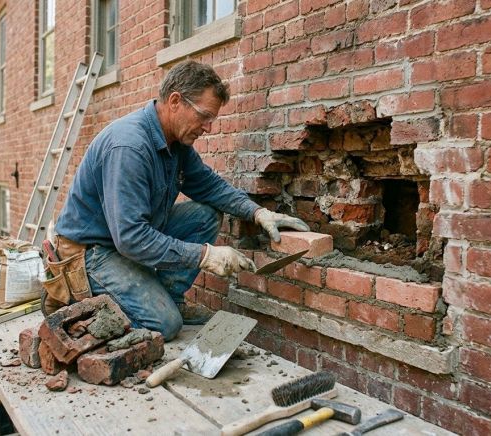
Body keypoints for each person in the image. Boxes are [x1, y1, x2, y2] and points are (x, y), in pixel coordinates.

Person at [53, 61, 309, 340]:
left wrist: (258, 212)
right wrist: (205, 256)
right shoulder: (129, 146)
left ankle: (168, 299)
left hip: (123, 240)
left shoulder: (176, 143)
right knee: (165, 326)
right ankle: (79, 306)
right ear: (176, 101)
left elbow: (209, 186)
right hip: (92, 253)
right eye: (205, 116)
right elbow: (130, 237)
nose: (208, 128)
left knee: (205, 214)